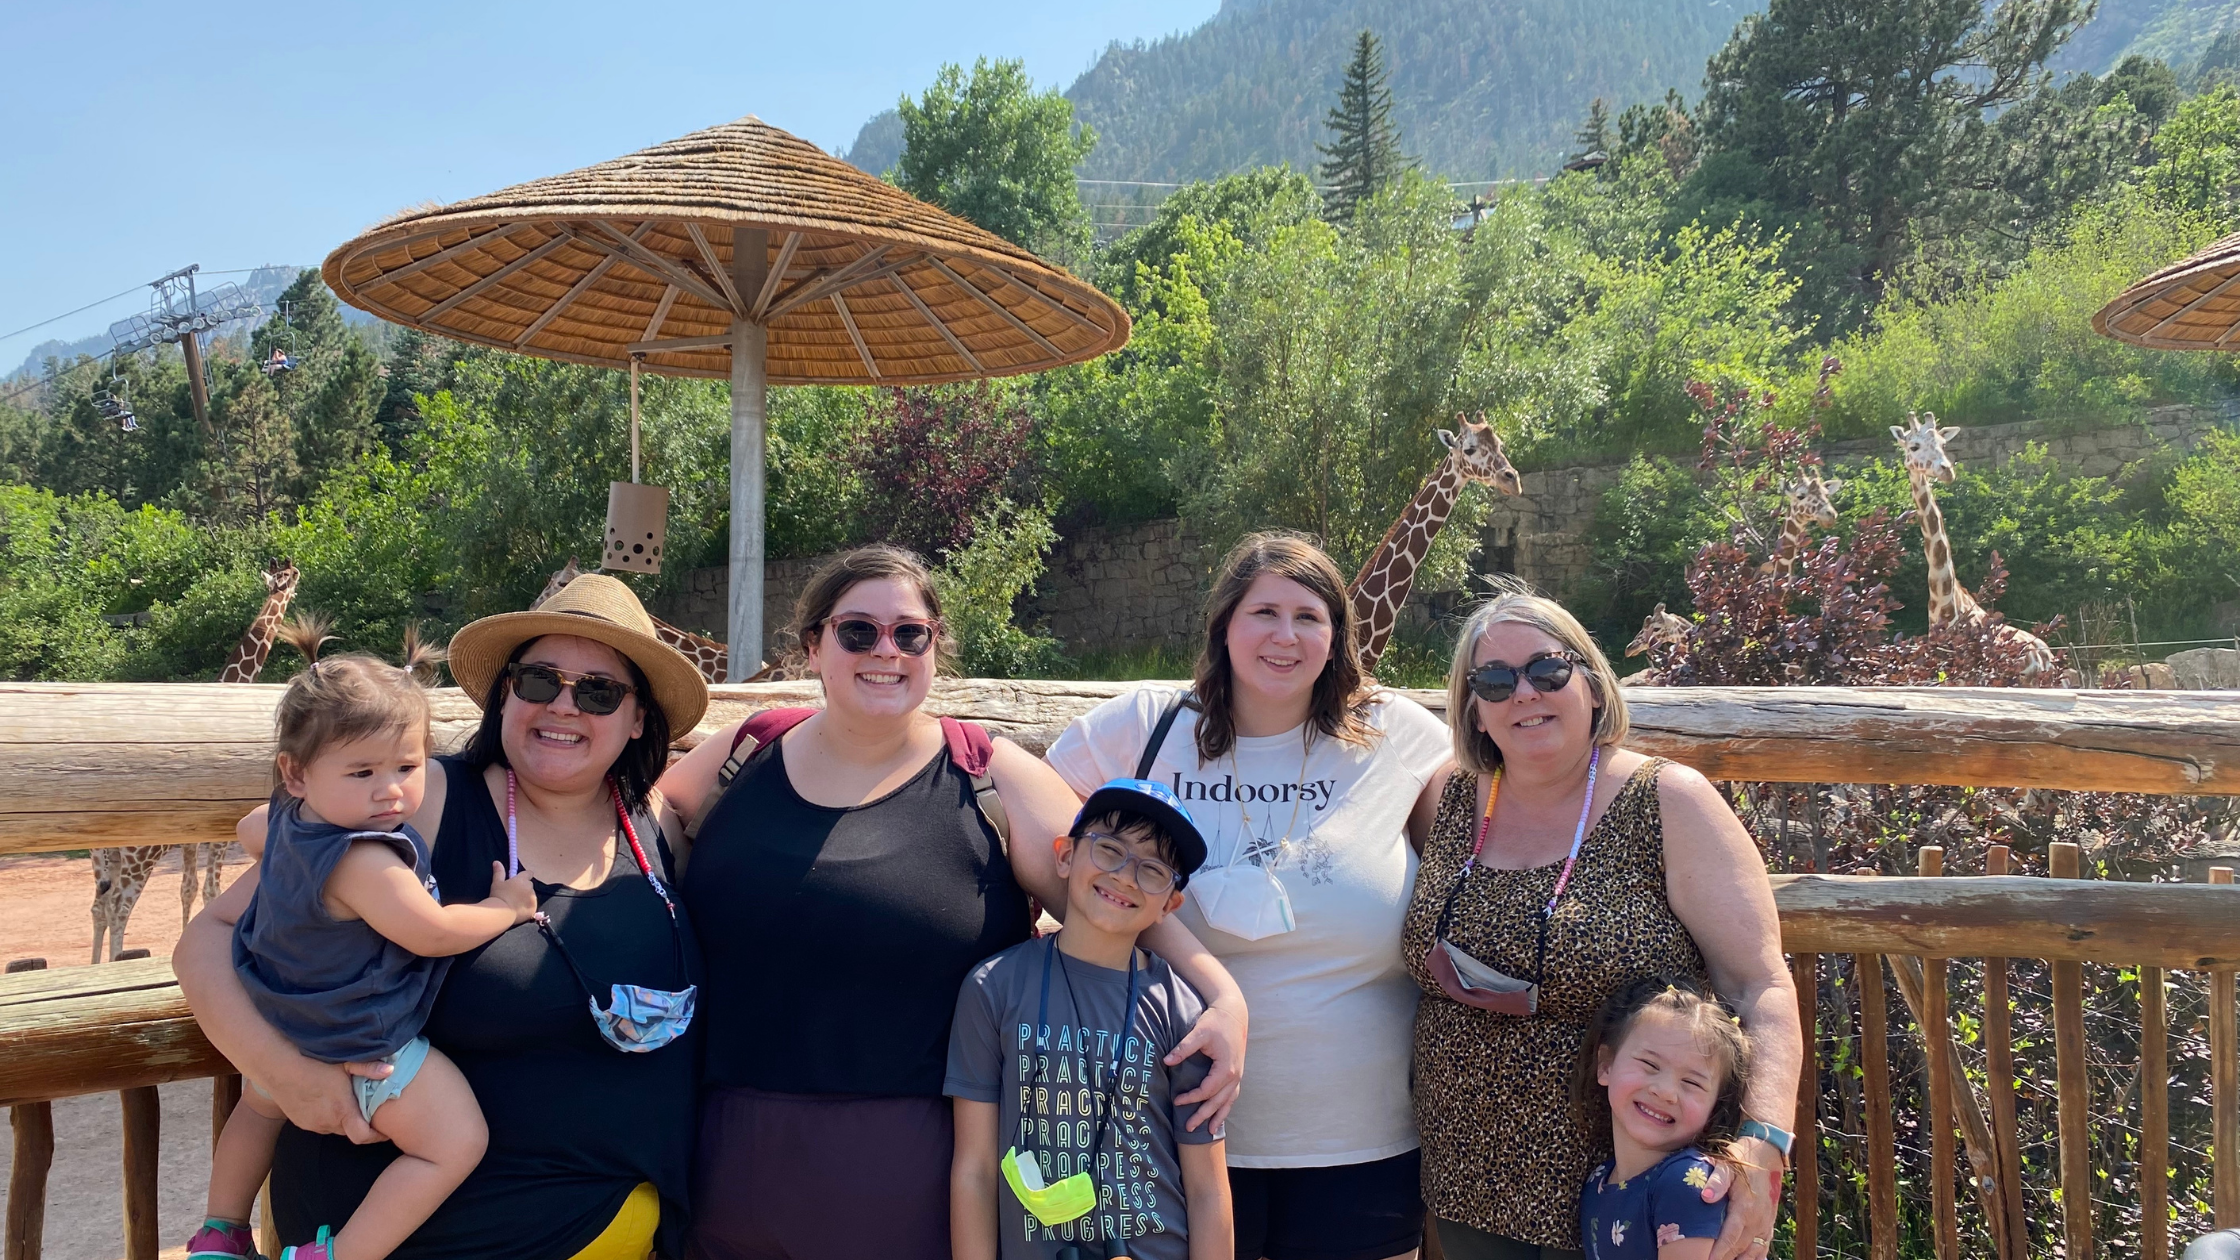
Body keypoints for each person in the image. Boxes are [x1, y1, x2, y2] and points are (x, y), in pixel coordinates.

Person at [658, 544, 1248, 1260]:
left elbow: (1117, 891)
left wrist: (1222, 997)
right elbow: (627, 840)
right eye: (857, 631)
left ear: (936, 646)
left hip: (918, 1172)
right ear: (812, 645)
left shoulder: (987, 777)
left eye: (911, 633)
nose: (887, 650)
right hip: (732, 1161)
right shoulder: (744, 754)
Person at [177, 574, 710, 1260]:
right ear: (505, 694)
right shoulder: (418, 805)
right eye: (540, 681)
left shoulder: (658, 824)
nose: (565, 707)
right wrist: (282, 1073)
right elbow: (206, 939)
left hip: (609, 1231)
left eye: (600, 691)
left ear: (638, 718)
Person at [1045, 532, 1454, 1260]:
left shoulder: (1399, 738)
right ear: (1224, 625)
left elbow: (1517, 802)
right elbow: (1035, 836)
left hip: (1359, 1145)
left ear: (1337, 637)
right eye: (1264, 611)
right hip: (1163, 1133)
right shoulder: (1142, 727)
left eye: (1309, 616)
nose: (1285, 636)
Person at [1400, 588, 1801, 1260]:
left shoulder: (1669, 800)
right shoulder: (1447, 796)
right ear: (1473, 708)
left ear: (1589, 679)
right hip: (1466, 1181)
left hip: (1639, 1199)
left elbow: (1761, 986)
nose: (1523, 693)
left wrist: (1764, 1147)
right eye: (1495, 681)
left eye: (1546, 671)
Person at [188, 626, 538, 1260]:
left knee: (258, 1111)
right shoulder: (364, 861)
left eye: (407, 767)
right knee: (454, 1143)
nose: (390, 790)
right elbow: (432, 933)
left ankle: (219, 1230)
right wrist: (502, 908)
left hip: (282, 1019)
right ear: (295, 773)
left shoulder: (292, 821)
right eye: (362, 772)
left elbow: (248, 828)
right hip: (359, 1041)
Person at [947, 778, 1234, 1260]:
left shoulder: (1182, 1012)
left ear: (1170, 904)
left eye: (1153, 869)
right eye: (1109, 850)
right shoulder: (993, 988)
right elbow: (974, 1169)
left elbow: (1208, 1190)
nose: (1125, 876)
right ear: (1064, 856)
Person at [1573, 978, 1753, 1260]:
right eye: (1649, 1065)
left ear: (1714, 1109)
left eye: (1692, 1083)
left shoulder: (1685, 1183)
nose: (1666, 1091)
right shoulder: (1598, 1181)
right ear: (1606, 1066)